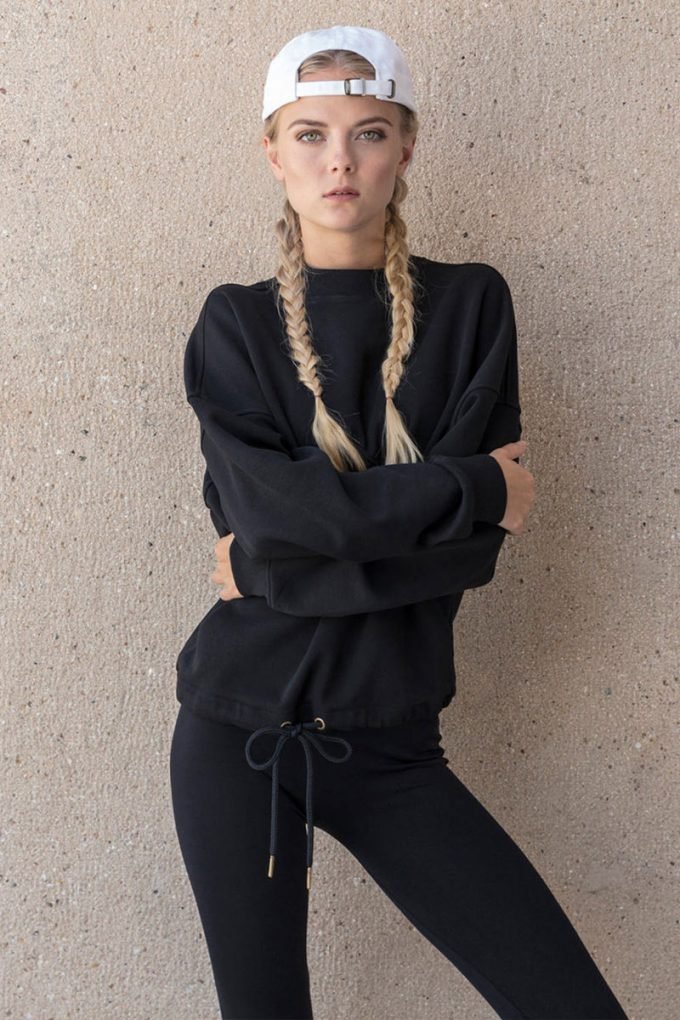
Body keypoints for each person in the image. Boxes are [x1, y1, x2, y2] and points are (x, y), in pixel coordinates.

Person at [170, 24, 629, 1020]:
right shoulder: (233, 324)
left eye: (368, 133)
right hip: (236, 737)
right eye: (310, 134)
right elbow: (295, 520)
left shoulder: (471, 306)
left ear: (405, 148)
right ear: (273, 153)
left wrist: (269, 568)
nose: (338, 160)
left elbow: (462, 560)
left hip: (391, 748)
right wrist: (473, 489)